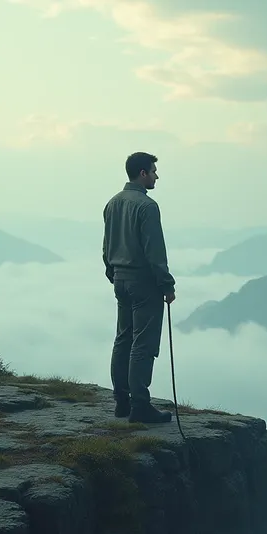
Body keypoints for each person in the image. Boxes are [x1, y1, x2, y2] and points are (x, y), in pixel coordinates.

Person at [103, 152, 176, 424]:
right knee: (143, 345)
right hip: (143, 282)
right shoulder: (147, 206)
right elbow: (154, 251)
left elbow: (106, 246)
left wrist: (113, 273)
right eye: (154, 171)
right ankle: (141, 406)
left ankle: (121, 402)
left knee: (123, 339)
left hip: (120, 279)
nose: (157, 176)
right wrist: (166, 285)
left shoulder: (113, 203)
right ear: (142, 173)